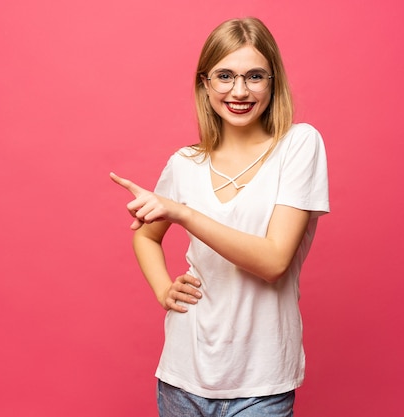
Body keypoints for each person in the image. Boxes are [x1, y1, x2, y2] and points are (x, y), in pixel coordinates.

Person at [110, 16, 329, 417]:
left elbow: (273, 262)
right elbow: (146, 235)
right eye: (224, 76)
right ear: (205, 84)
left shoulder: (298, 146)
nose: (239, 91)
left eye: (255, 76)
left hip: (261, 381)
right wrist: (163, 290)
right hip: (182, 375)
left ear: (273, 81)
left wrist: (183, 213)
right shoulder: (185, 164)